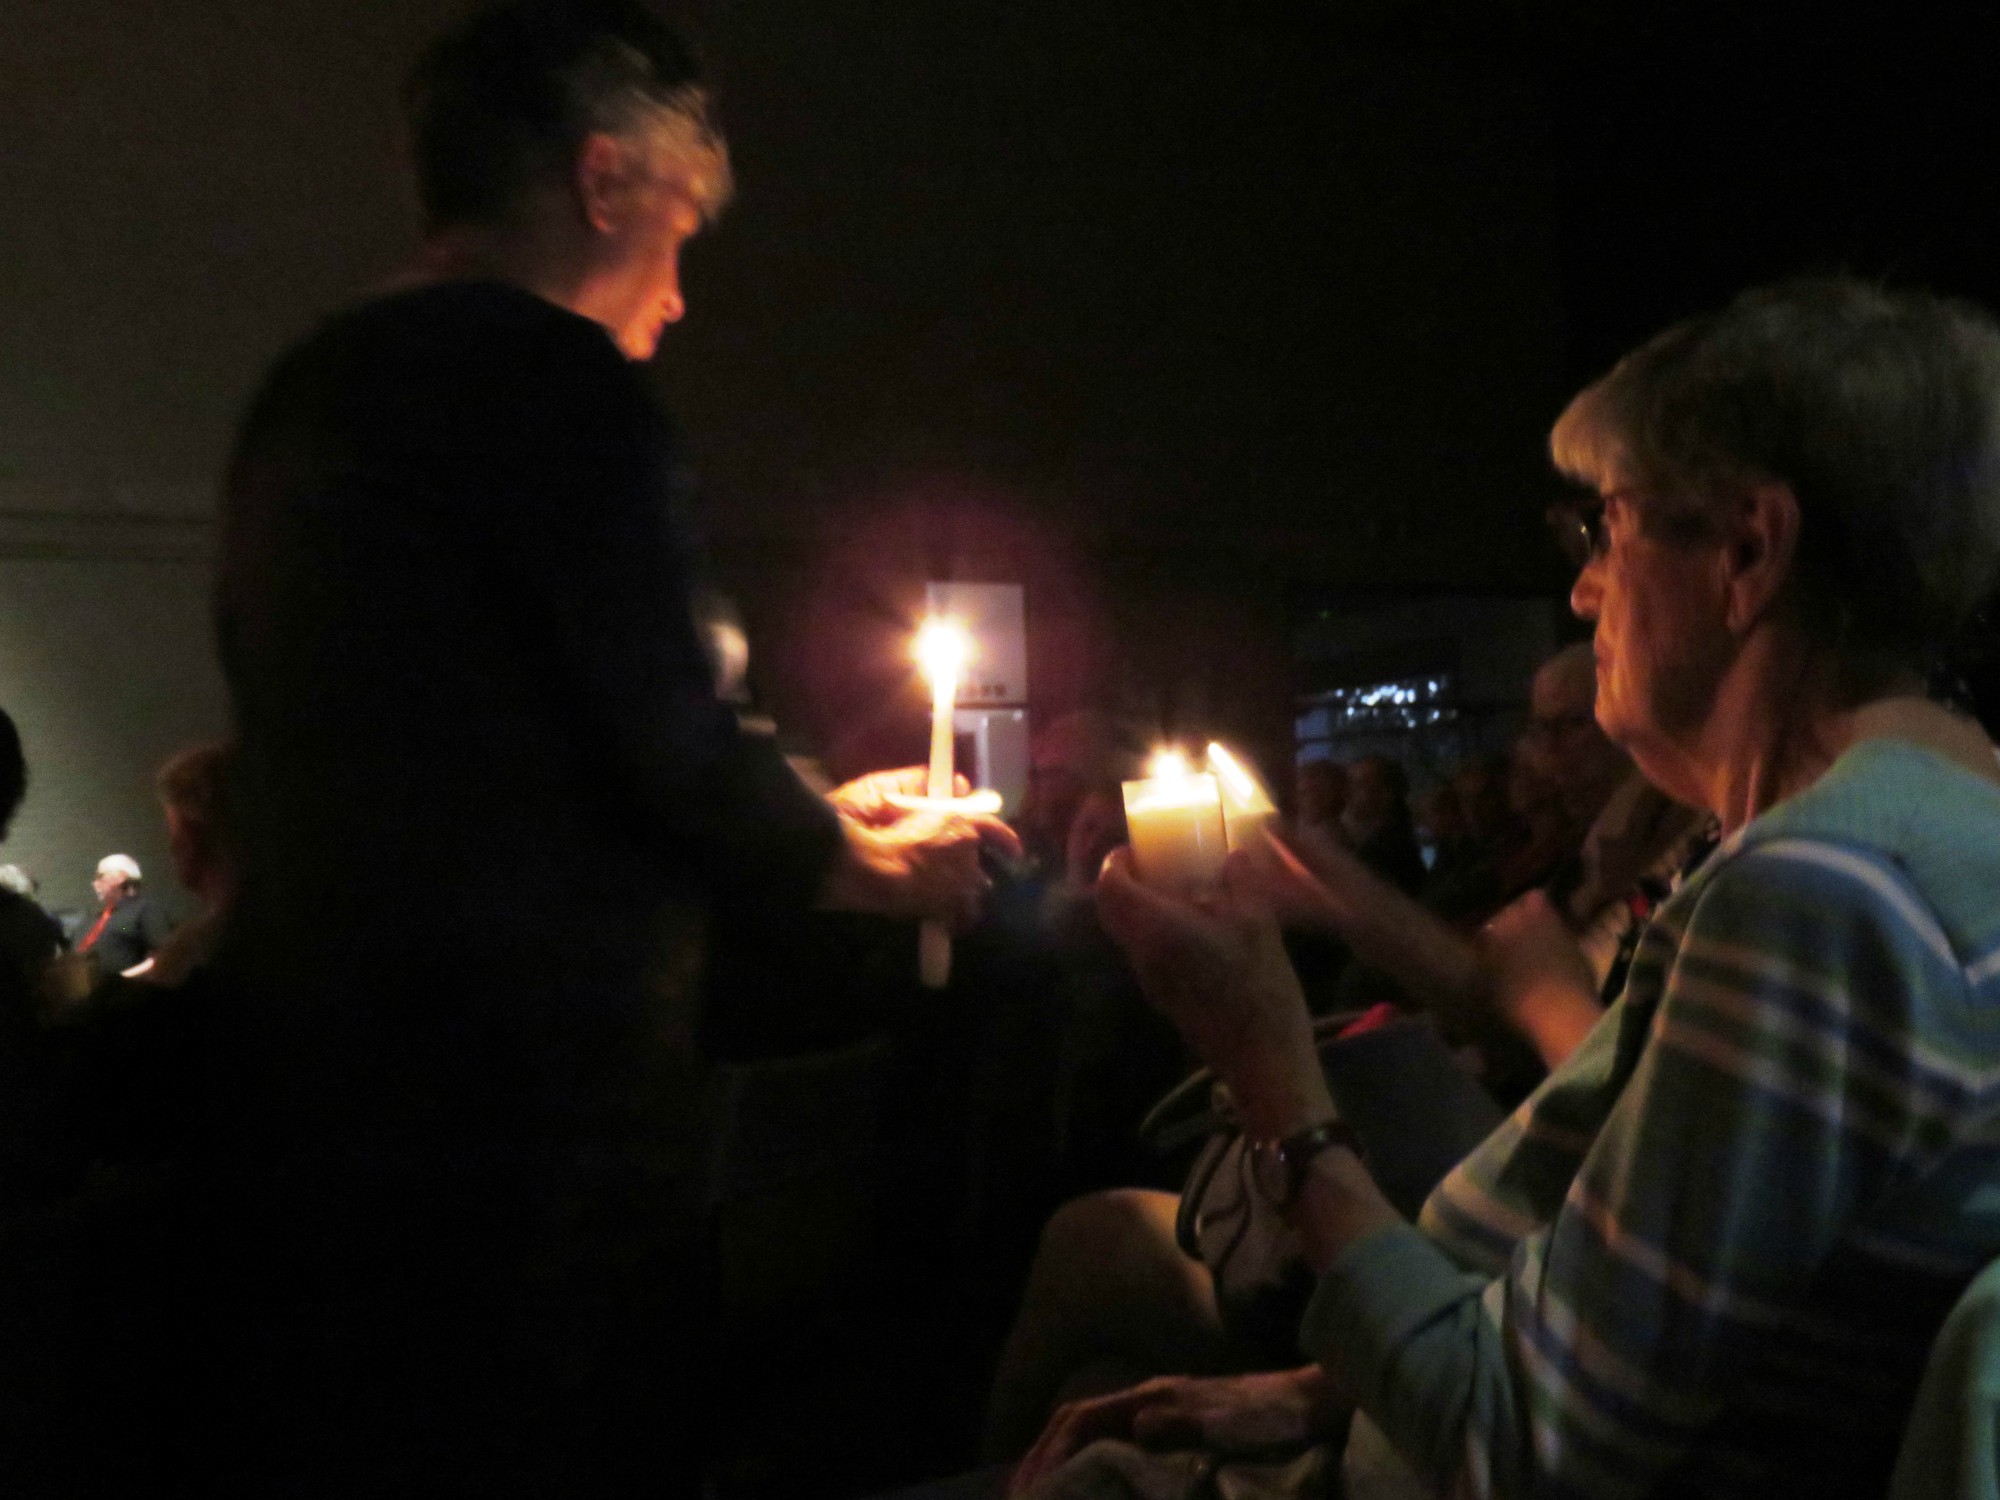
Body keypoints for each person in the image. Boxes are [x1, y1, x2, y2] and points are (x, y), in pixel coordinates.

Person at [171, 3, 1015, 1494]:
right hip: (529, 1149)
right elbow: (663, 736)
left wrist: (819, 810)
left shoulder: (308, 397)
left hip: (313, 1121)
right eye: (683, 226)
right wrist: (874, 871)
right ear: (605, 178)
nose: (680, 296)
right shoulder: (557, 387)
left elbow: (514, 749)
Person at [1022, 279, 2000, 1500]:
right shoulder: (1942, 831)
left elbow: (1516, 1451)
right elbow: (1691, 1322)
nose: (1583, 591)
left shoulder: (1819, 892)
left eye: (1607, 529)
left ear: (1747, 552)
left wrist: (1266, 1067)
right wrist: (1323, 1387)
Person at [72, 855, 171, 980]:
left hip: (125, 995)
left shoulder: (145, 909)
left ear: (120, 876)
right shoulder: (92, 919)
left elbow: (163, 956)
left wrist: (121, 980)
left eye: (99, 877)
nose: (95, 884)